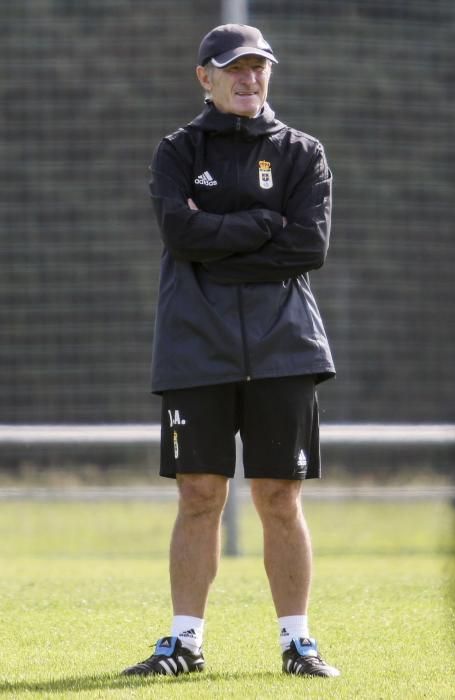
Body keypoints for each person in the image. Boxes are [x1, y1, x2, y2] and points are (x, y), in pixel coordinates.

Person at [123, 23, 339, 678]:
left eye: (258, 67)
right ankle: (184, 643)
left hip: (285, 348)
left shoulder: (302, 153)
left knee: (280, 496)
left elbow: (308, 248)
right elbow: (178, 232)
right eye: (233, 68)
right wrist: (259, 228)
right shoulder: (177, 151)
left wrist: (217, 240)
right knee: (197, 494)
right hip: (195, 348)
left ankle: (297, 644)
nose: (248, 78)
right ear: (205, 77)